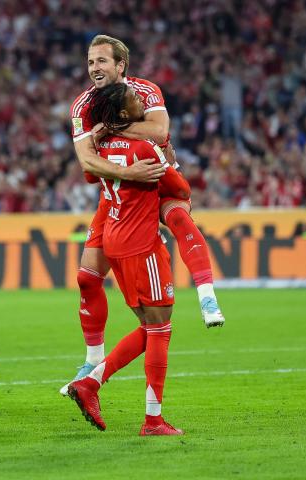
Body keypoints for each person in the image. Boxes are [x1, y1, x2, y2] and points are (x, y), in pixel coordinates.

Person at [61, 34, 225, 395]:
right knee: (87, 278)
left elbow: (160, 131)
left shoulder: (145, 91)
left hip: (155, 175)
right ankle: (92, 361)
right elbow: (87, 162)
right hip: (121, 191)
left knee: (180, 220)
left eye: (101, 61)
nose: (94, 68)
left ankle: (207, 295)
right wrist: (126, 171)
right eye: (90, 62)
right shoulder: (82, 106)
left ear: (120, 65)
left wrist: (112, 128)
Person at [68, 83, 188, 435]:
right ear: (123, 113)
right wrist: (169, 162)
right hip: (142, 244)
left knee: (150, 326)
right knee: (161, 328)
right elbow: (179, 188)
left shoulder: (102, 145)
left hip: (114, 240)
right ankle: (153, 420)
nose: (141, 102)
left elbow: (90, 173)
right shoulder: (145, 147)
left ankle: (90, 382)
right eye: (135, 100)